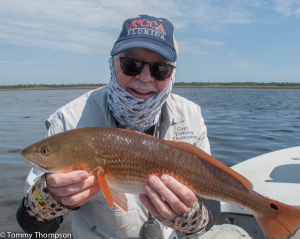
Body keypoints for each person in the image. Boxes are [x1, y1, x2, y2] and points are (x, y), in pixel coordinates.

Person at [17, 14, 251, 239]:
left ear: (172, 75)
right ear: (113, 64)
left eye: (160, 69)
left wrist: (190, 218)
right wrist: (48, 200)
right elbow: (33, 226)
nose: (146, 78)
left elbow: (212, 205)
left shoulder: (191, 115)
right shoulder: (68, 120)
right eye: (132, 64)